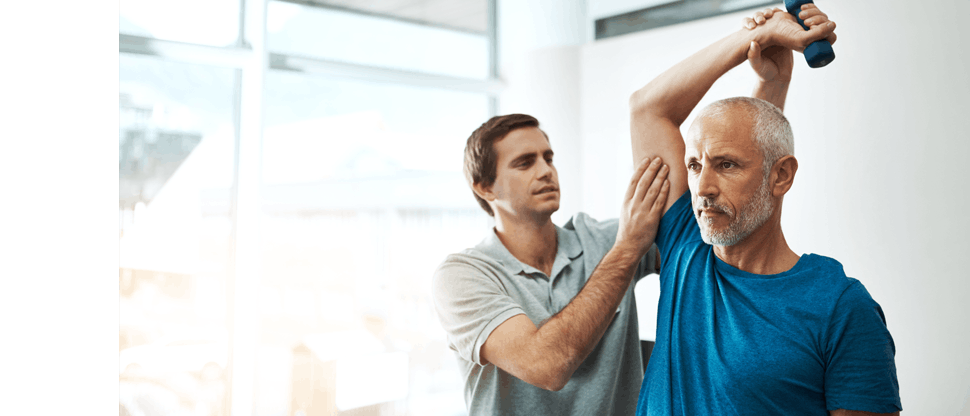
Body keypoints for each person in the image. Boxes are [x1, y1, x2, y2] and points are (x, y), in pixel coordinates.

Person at [628, 6, 901, 415]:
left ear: (782, 177)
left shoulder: (840, 306)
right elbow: (646, 108)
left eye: (725, 165)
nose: (701, 187)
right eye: (694, 165)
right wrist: (756, 42)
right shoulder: (686, 248)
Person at [431, 112, 668, 415]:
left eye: (549, 158)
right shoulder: (461, 276)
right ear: (485, 187)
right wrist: (628, 249)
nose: (546, 171)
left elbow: (709, 239)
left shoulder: (608, 240)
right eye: (525, 162)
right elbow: (548, 366)